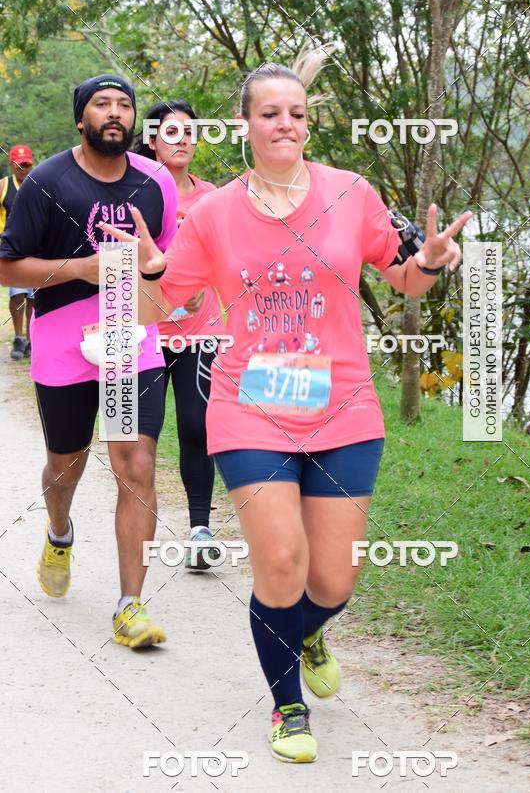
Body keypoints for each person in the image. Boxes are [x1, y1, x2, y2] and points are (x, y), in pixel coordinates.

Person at [102, 49, 471, 759]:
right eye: (270, 113)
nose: (286, 124)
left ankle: (305, 627)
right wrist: (144, 268)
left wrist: (427, 262)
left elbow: (403, 279)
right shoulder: (210, 212)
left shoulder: (350, 192)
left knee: (334, 576)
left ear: (309, 123)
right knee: (279, 561)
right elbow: (155, 308)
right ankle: (287, 705)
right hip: (249, 405)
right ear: (244, 124)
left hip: (343, 407)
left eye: (297, 113)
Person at [0, 74, 177, 648]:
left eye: (124, 104)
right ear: (82, 118)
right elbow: (8, 269)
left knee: (135, 463)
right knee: (66, 462)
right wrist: (80, 269)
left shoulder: (155, 183)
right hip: (62, 340)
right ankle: (59, 531)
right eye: (102, 104)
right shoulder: (47, 181)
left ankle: (130, 605)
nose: (115, 112)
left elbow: (168, 269)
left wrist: (166, 282)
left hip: (132, 342)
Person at [133, 100, 224, 568]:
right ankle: (133, 538)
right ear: (151, 140)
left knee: (196, 424)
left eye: (190, 131)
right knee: (138, 437)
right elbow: (116, 265)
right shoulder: (133, 194)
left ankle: (199, 530)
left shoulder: (212, 197)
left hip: (199, 333)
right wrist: (167, 297)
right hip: (142, 333)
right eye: (172, 132)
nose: (184, 139)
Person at [0, 145, 36, 360]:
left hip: (35, 246)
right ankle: (18, 337)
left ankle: (31, 340)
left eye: (28, 164)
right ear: (11, 165)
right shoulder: (4, 186)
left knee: (33, 296)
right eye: (20, 165)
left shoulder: (38, 183)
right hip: (11, 247)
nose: (24, 169)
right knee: (17, 294)